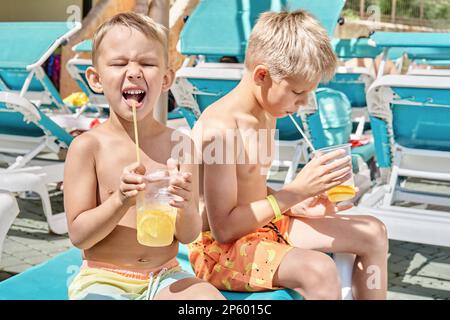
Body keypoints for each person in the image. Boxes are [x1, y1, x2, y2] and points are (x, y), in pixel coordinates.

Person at [188, 10, 388, 300]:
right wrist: (293, 193)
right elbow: (224, 229)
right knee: (318, 270)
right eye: (297, 92)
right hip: (219, 252)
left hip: (262, 226)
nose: (304, 102)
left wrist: (298, 204)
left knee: (373, 232)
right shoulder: (220, 131)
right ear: (262, 75)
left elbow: (250, 187)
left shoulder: (266, 112)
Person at [64, 12, 224, 300]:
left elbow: (187, 236)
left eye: (147, 63)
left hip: (166, 274)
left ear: (165, 79)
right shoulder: (88, 148)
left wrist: (187, 206)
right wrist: (119, 200)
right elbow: (79, 236)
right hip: (103, 278)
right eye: (119, 63)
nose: (134, 71)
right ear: (96, 79)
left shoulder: (181, 146)